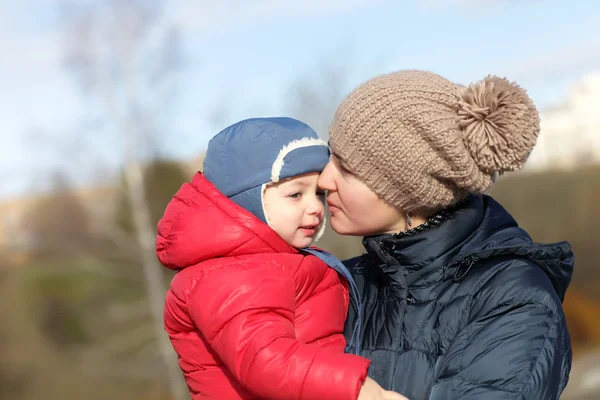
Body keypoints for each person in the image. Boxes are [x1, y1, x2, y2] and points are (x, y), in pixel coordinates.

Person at [317, 70, 574, 400]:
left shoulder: (514, 301)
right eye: (330, 155)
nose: (324, 180)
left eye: (346, 168)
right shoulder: (341, 283)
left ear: (407, 189)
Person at [156, 117, 406, 400]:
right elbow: (265, 359)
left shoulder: (270, 261)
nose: (315, 207)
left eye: (319, 194)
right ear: (249, 200)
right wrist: (363, 391)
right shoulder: (232, 273)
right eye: (296, 194)